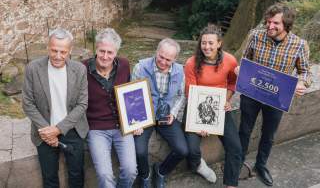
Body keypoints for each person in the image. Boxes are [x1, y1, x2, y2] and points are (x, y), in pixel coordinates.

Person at [235, 3, 312, 186]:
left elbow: (305, 72)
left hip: (276, 98)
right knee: (244, 130)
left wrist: (302, 83)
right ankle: (237, 163)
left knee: (268, 135)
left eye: (275, 23)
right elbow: (245, 59)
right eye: (268, 22)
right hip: (251, 93)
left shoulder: (299, 45)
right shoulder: (255, 36)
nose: (270, 26)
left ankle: (261, 166)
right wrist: (241, 69)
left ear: (286, 23)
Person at [22, 28, 89, 188]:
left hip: (73, 129)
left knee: (77, 175)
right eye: (54, 50)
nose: (58, 56)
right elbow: (27, 103)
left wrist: (58, 129)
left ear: (70, 51)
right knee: (49, 178)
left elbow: (82, 104)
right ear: (48, 47)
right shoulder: (33, 68)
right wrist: (47, 131)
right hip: (44, 131)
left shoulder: (79, 69)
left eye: (63, 52)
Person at [184, 24, 242, 188]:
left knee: (235, 147)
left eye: (211, 43)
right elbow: (190, 93)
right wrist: (203, 123)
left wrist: (227, 100)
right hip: (196, 108)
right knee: (191, 149)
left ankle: (231, 184)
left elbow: (232, 82)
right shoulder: (191, 63)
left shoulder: (230, 60)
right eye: (203, 43)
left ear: (219, 43)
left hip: (219, 108)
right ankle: (198, 165)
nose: (206, 47)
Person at [82, 28, 137, 188]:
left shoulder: (124, 65)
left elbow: (131, 95)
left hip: (121, 126)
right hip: (96, 129)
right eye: (102, 51)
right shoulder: (82, 68)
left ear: (116, 52)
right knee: (105, 176)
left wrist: (136, 121)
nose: (105, 56)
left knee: (130, 170)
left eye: (110, 52)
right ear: (96, 49)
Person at [132, 38, 189, 188]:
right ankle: (144, 175)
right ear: (156, 52)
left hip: (167, 116)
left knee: (182, 150)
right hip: (144, 115)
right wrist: (136, 121)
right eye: (161, 57)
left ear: (175, 59)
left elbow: (181, 95)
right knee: (139, 151)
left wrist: (174, 113)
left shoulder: (180, 71)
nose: (163, 62)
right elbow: (132, 95)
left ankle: (161, 171)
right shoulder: (140, 67)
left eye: (168, 59)